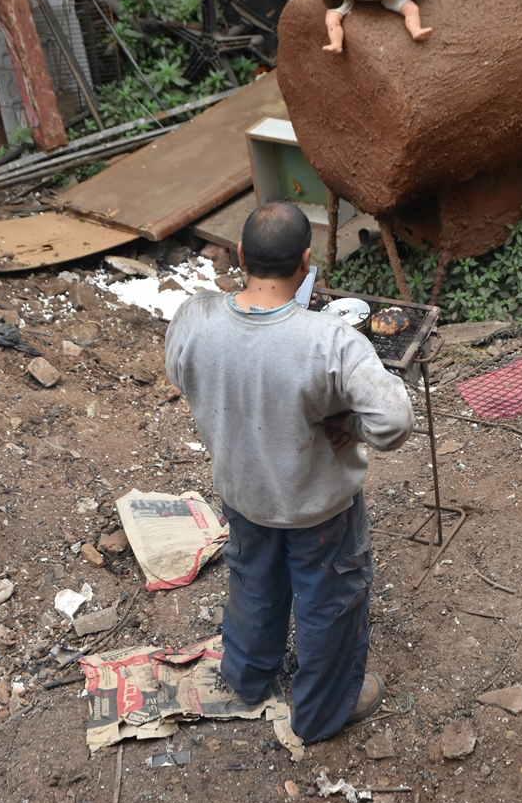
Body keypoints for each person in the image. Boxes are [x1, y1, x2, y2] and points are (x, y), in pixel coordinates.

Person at [165, 201, 413, 743]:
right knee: (329, 605)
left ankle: (248, 677)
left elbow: (180, 371)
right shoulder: (330, 340)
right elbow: (395, 422)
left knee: (253, 585)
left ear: (240, 255)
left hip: (244, 496)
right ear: (305, 262)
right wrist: (348, 422)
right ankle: (322, 714)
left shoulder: (195, 319)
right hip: (318, 510)